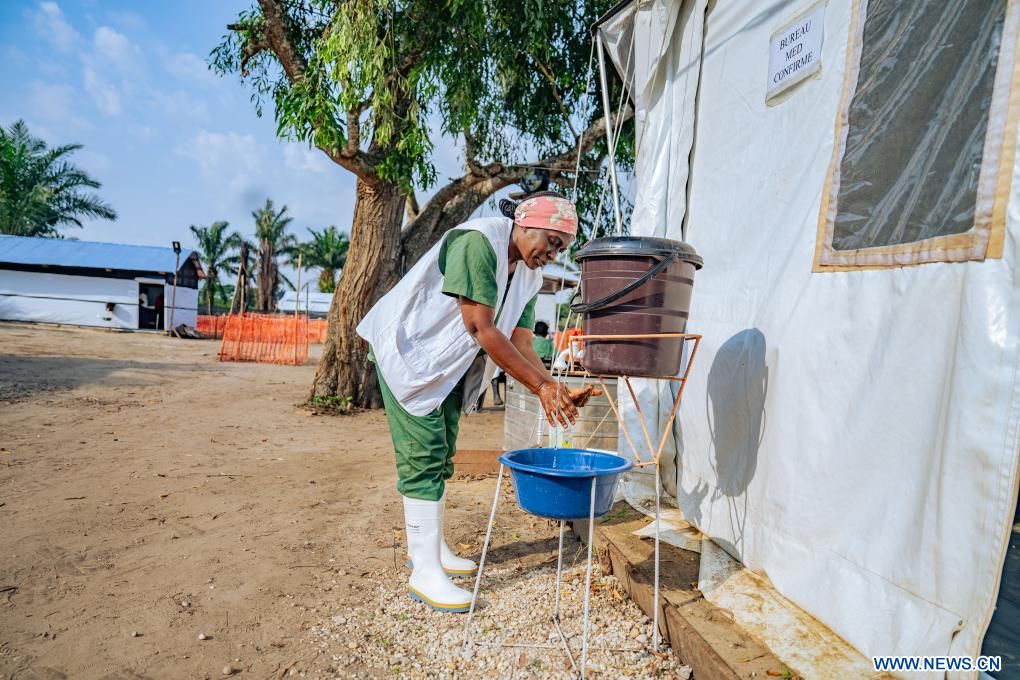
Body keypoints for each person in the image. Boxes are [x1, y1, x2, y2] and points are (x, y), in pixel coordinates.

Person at [357, 192, 593, 613]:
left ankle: (430, 550)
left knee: (442, 452)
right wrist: (540, 388)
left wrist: (551, 386)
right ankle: (424, 572)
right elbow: (480, 328)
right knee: (424, 455)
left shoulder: (529, 276)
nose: (553, 255)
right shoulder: (478, 241)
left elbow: (522, 342)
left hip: (446, 365)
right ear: (525, 224)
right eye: (552, 242)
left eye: (561, 249)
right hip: (409, 350)